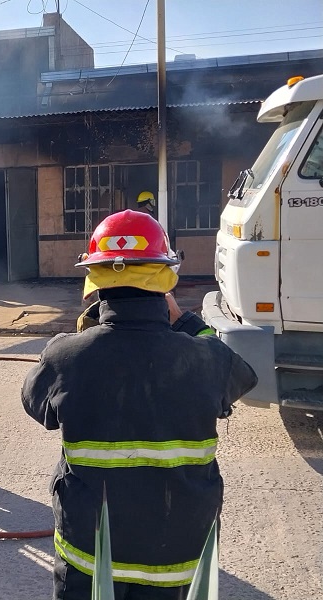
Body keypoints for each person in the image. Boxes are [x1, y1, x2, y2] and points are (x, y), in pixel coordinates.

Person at [21, 210, 257, 600]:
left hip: (89, 560)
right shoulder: (206, 358)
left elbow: (36, 405)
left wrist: (82, 338)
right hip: (175, 561)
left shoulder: (66, 356)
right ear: (165, 281)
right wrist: (186, 324)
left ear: (95, 281)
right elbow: (244, 376)